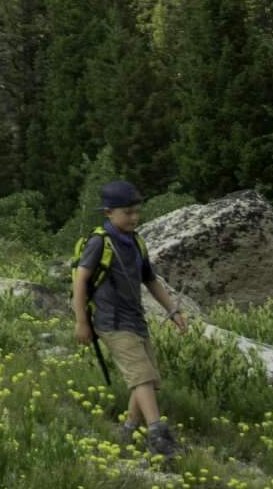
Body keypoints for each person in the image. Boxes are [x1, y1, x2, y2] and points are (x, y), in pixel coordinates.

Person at [73, 179, 190, 454]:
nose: (134, 218)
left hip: (135, 319)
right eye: (127, 213)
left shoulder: (136, 242)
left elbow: (151, 279)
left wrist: (172, 310)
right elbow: (80, 281)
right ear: (109, 213)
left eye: (137, 211)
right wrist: (81, 322)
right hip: (111, 321)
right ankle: (158, 437)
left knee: (148, 377)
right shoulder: (99, 243)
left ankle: (128, 431)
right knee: (142, 377)